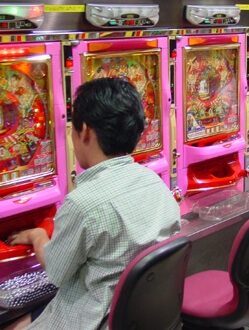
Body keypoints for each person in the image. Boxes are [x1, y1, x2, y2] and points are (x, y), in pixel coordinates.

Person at [5, 78, 181, 330]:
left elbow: (56, 272)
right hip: (143, 315)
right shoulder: (155, 182)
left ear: (84, 130)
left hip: (97, 320)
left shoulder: (82, 203)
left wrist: (38, 236)